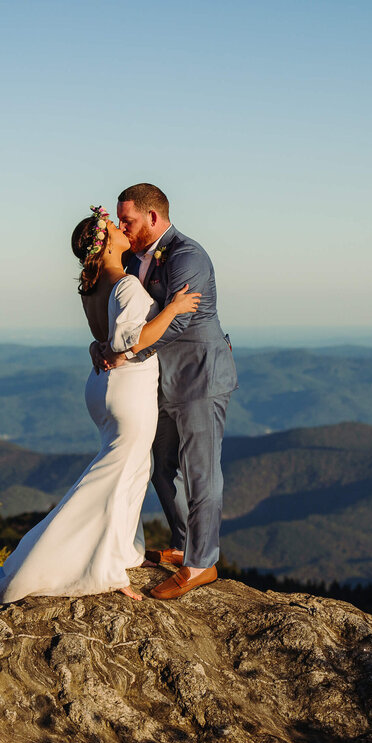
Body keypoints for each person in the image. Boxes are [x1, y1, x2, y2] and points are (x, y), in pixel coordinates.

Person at [0, 206, 201, 604]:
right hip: (128, 389)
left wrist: (99, 347)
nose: (121, 228)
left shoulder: (93, 285)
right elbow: (126, 342)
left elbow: (100, 339)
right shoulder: (127, 286)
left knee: (136, 467)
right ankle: (103, 569)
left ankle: (124, 550)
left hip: (102, 388)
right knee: (114, 476)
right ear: (104, 245)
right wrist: (172, 309)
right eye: (114, 227)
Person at [93, 183, 238, 599]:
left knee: (201, 473)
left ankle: (201, 563)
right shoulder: (137, 257)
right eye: (119, 220)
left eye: (129, 220)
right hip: (162, 382)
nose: (123, 226)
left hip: (200, 379)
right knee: (159, 467)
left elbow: (179, 321)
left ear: (153, 217)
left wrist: (126, 353)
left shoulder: (187, 255)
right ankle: (181, 544)